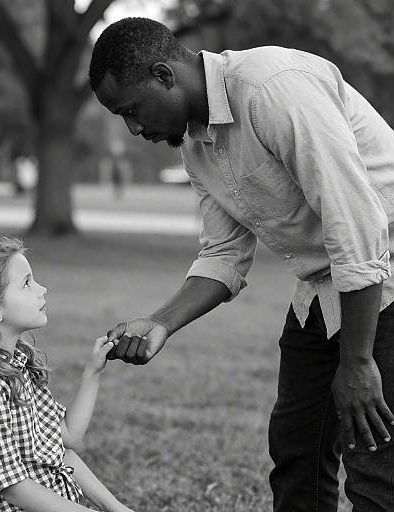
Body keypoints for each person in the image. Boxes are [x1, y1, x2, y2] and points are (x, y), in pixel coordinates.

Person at [89, 16, 394, 512]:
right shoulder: (194, 145)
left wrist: (358, 362)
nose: (134, 128)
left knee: (375, 466)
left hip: (381, 274)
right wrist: (162, 323)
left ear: (165, 75)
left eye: (132, 110)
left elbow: (357, 222)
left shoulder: (272, 89)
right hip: (322, 288)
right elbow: (224, 254)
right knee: (297, 449)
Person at [0, 237, 134, 512]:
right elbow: (15, 489)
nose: (42, 289)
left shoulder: (15, 366)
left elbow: (65, 442)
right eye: (27, 283)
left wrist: (93, 372)